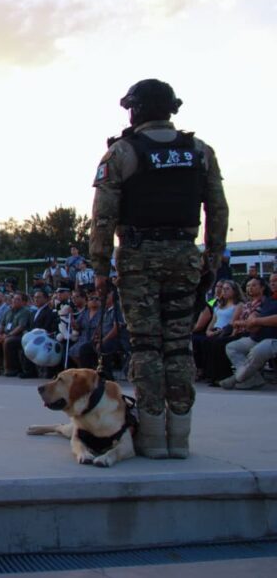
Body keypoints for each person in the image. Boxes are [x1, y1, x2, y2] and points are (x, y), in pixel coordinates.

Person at [90, 79, 228, 459]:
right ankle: (179, 437)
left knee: (147, 347)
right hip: (185, 256)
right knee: (179, 347)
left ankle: (152, 437)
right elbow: (217, 210)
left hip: (137, 257)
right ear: (171, 109)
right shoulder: (199, 151)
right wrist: (213, 257)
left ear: (134, 110)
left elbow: (103, 216)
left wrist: (100, 265)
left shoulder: (122, 152)